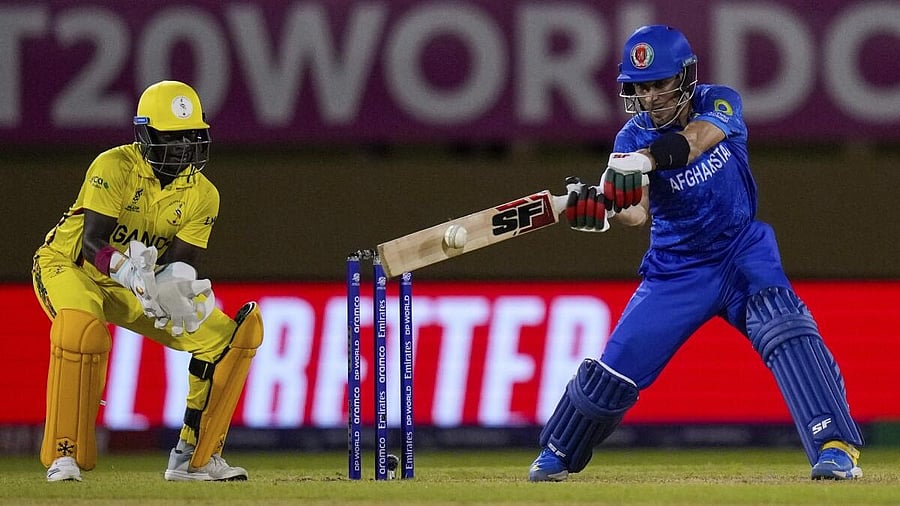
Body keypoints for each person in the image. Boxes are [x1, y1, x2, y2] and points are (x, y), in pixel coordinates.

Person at [528, 25, 863, 482]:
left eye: (659, 85)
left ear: (685, 77)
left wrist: (644, 160)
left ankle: (835, 446)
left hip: (742, 252)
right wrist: (601, 213)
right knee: (615, 369)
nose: (650, 98)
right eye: (640, 89)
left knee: (784, 327)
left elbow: (697, 141)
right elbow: (636, 214)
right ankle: (558, 451)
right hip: (676, 270)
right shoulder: (627, 141)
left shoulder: (719, 102)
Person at [32, 80, 264, 482]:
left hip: (135, 284)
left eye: (190, 137)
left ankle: (195, 458)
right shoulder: (113, 166)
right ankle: (63, 454)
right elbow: (91, 243)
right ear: (145, 135)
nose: (181, 148)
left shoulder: (203, 195)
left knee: (228, 338)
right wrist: (129, 273)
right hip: (70, 268)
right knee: (83, 332)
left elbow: (178, 266)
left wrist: (172, 289)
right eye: (171, 138)